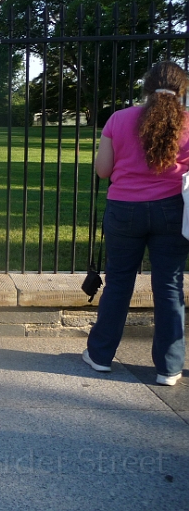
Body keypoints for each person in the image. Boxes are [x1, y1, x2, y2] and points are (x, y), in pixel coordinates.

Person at [83, 61, 189, 386]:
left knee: (118, 282)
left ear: (146, 86)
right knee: (169, 286)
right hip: (172, 210)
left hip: (124, 209)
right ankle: (169, 368)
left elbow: (102, 170)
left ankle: (100, 356)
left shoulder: (119, 118)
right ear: (182, 89)